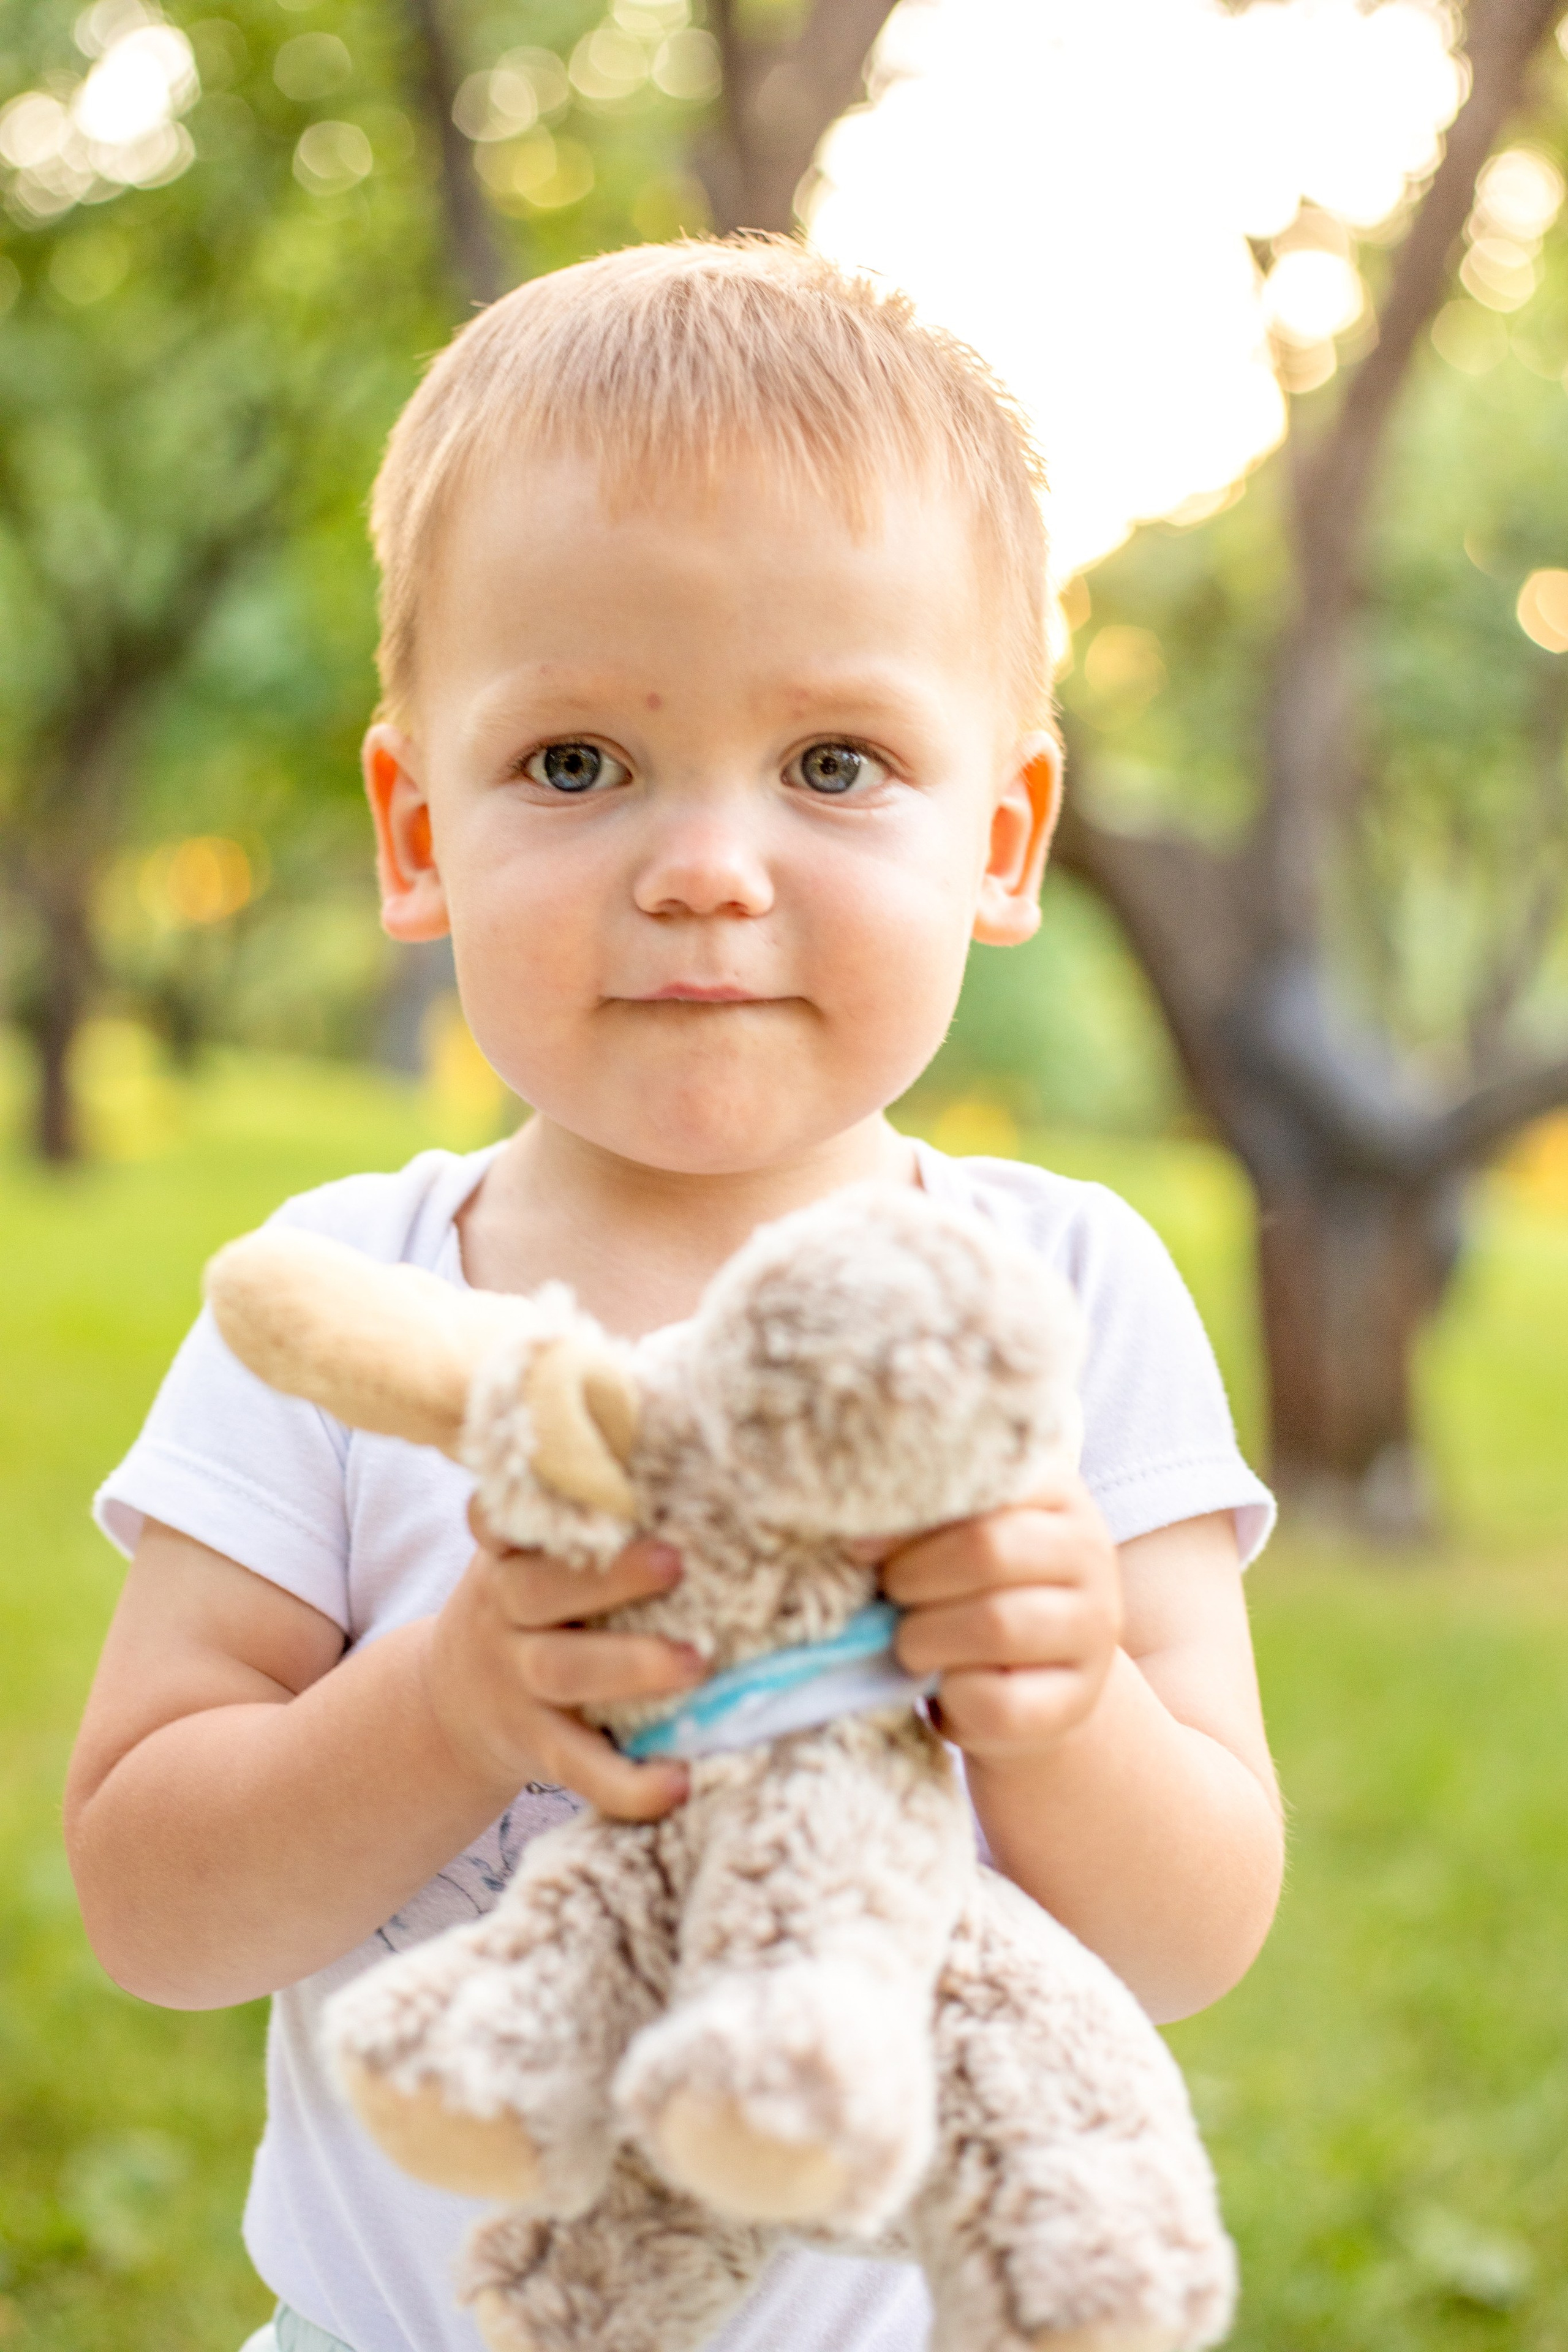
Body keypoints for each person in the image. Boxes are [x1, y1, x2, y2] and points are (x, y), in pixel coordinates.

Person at [65, 237, 1283, 2352]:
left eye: (832, 766)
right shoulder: (346, 1302)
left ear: (1000, 839)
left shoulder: (1063, 1295)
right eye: (573, 765)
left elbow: (1193, 1933)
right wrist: (446, 1704)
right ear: (414, 822)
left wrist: (1065, 1702)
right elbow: (154, 1904)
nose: (706, 867)